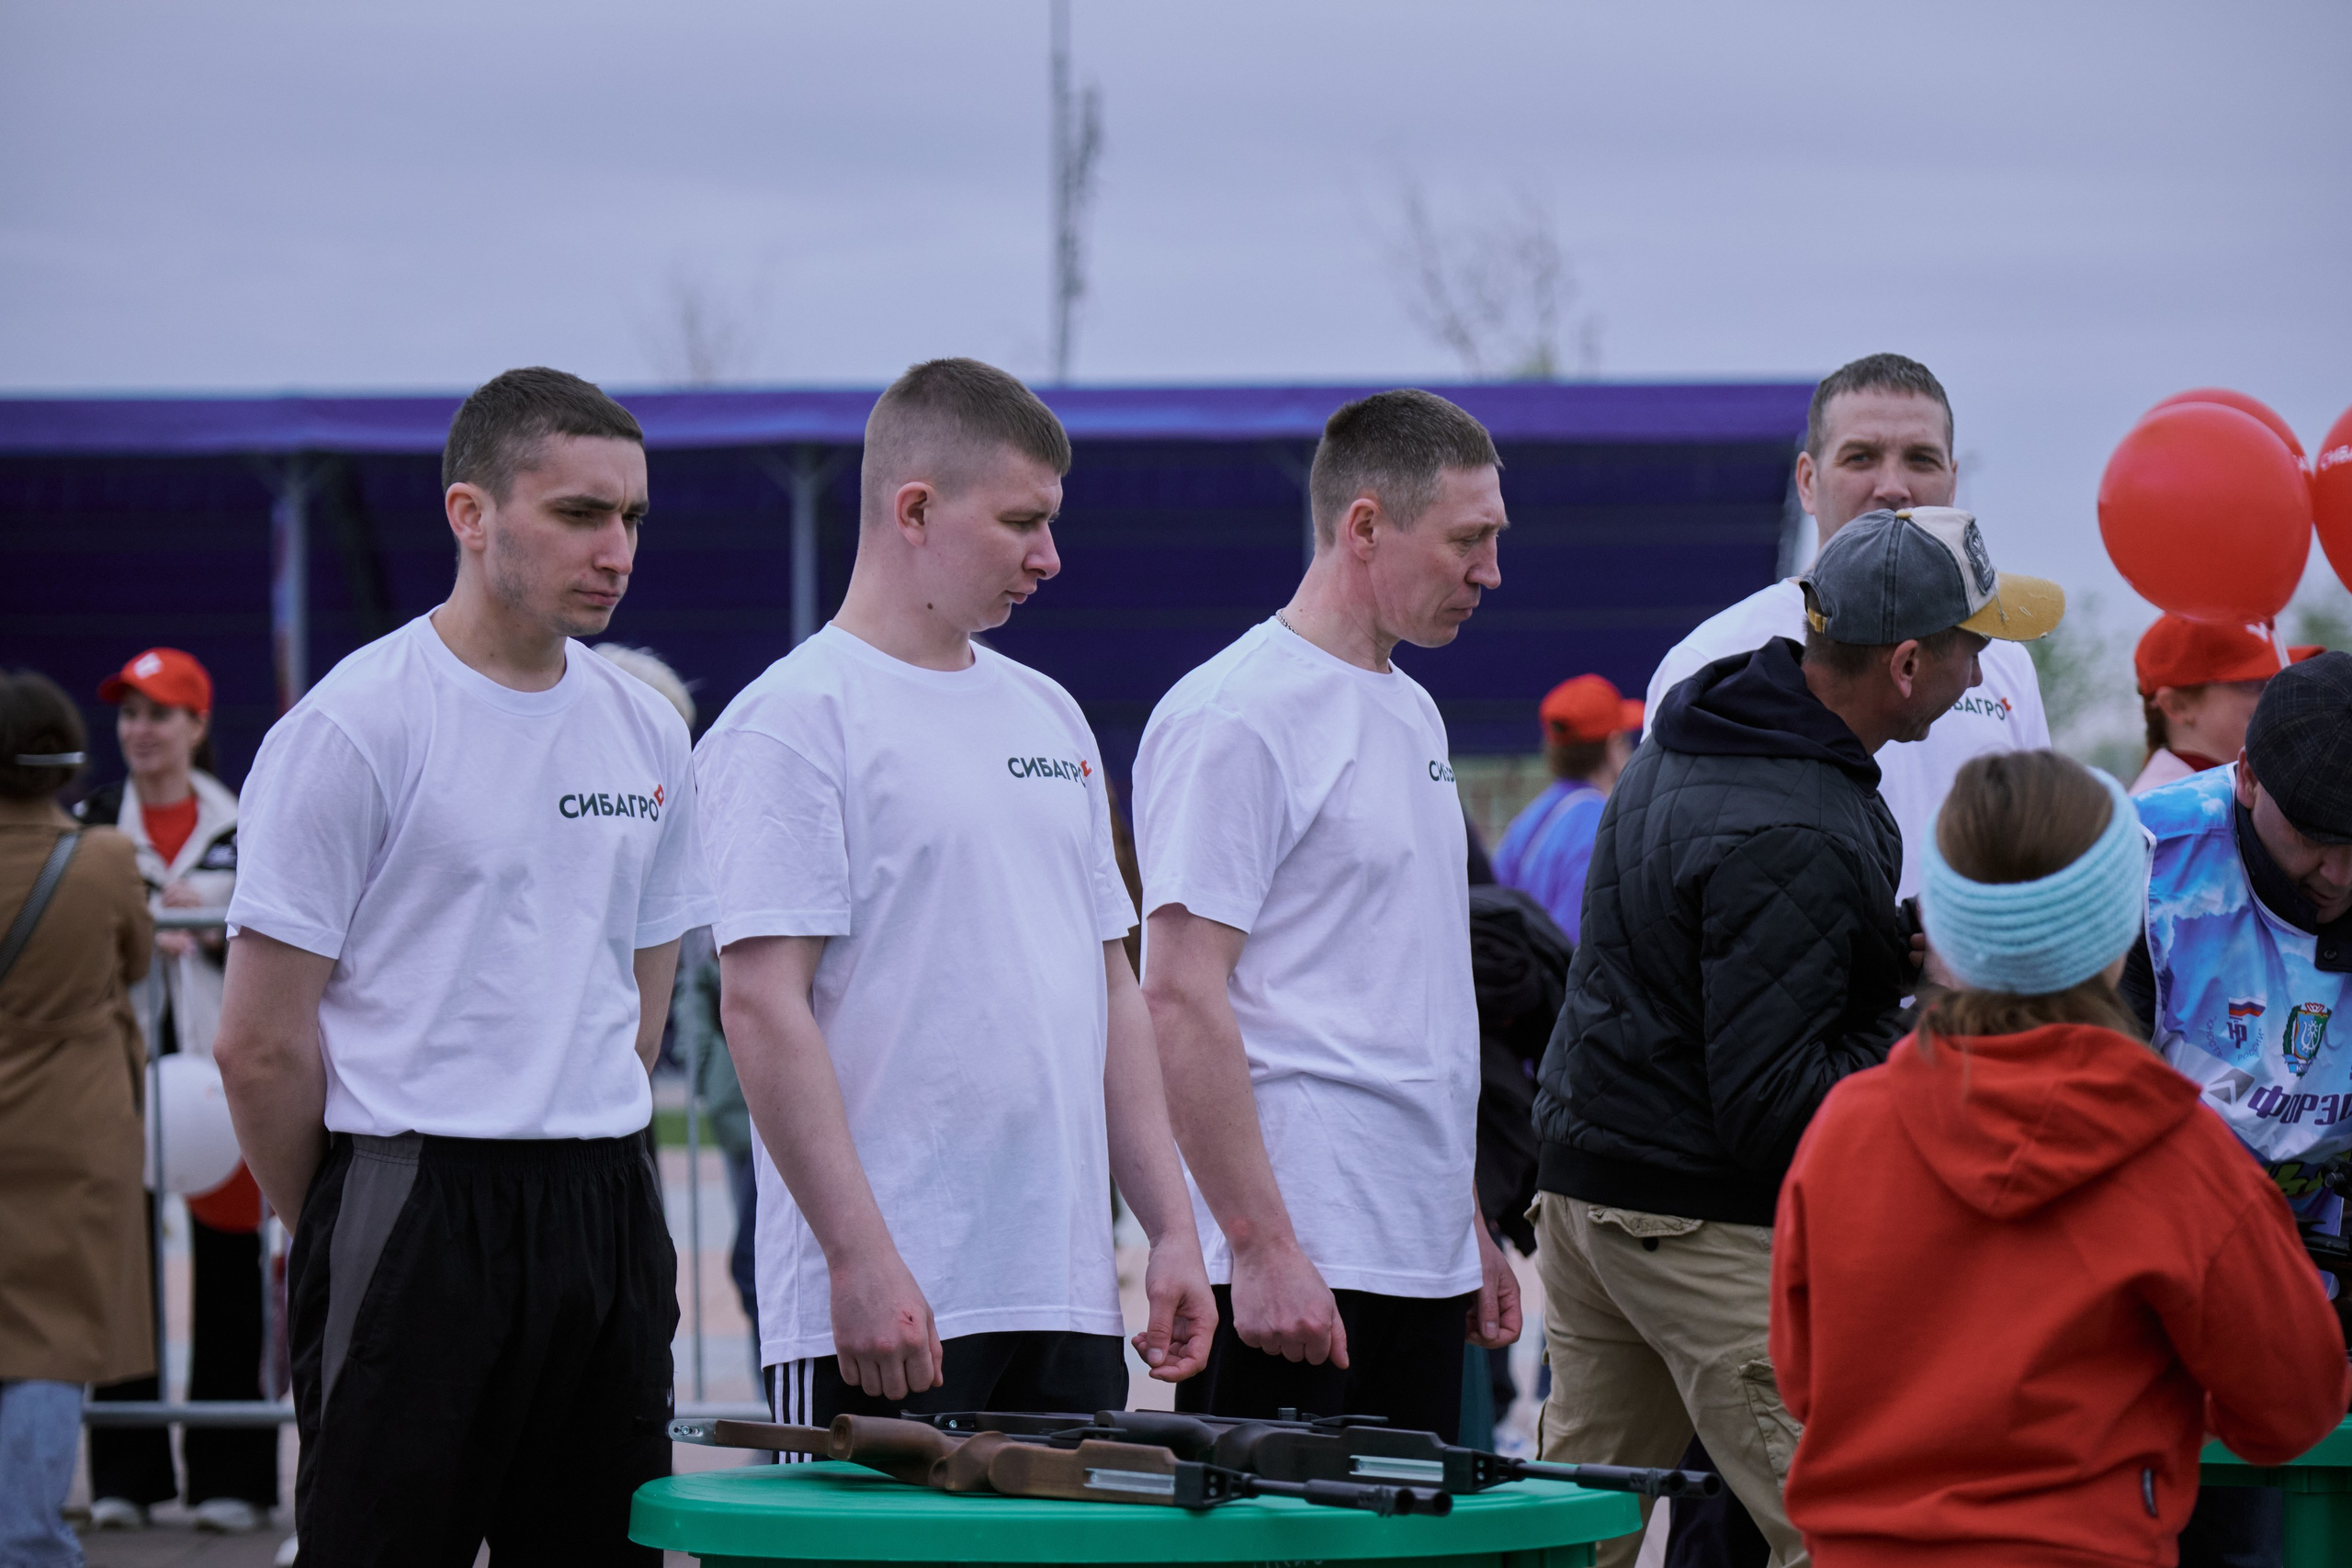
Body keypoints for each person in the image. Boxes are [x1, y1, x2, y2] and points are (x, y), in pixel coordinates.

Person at [212, 367, 713, 1567]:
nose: (617, 548)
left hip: (604, 1202)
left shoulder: (646, 729)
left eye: (633, 517)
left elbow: (637, 999)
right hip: (413, 1192)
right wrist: (341, 1215)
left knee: (598, 1551)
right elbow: (258, 1040)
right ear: (470, 513)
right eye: (580, 512)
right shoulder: (358, 724)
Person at [1532, 505, 2063, 1568]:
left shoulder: (1710, 723)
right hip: (1693, 1215)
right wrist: (1941, 1028)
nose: (1984, 669)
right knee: (1852, 1535)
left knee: (1572, 1536)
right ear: (1907, 663)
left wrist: (1890, 945)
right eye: (1973, 643)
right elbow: (1775, 1102)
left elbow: (1722, 953)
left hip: (1593, 1187)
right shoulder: (1798, 820)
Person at [695, 358, 1213, 1427]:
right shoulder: (790, 722)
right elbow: (758, 1005)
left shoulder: (1050, 716)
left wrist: (1169, 1229)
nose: (1050, 557)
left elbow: (1109, 987)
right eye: (1022, 522)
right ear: (915, 509)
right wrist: (860, 1260)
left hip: (1060, 1293)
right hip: (889, 1308)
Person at [1772, 750, 2349, 1568]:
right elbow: (2295, 1406)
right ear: (2123, 930)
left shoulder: (1846, 1129)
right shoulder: (2178, 1156)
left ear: (1944, 924)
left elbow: (1803, 1379)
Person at [1136, 388, 1521, 1439]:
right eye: (1466, 540)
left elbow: (1413, 993)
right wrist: (1257, 1247)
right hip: (1296, 1261)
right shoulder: (1235, 714)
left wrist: (1463, 1225)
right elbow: (1174, 992)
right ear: (1364, 527)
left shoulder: (1411, 707)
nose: (1489, 571)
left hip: (1415, 1253)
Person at [1645, 353, 2051, 901]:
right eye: (1861, 458)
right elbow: (1668, 884)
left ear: (1953, 483)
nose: (1893, 486)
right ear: (1808, 482)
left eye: (1921, 459)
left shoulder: (2000, 663)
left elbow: (2038, 858)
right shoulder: (1712, 658)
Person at [2120, 651, 2352, 1566]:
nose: (2337, 872)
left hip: (2321, 1271)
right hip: (2160, 1276)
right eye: (2313, 837)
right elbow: (2101, 1096)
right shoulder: (2143, 858)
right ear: (2244, 775)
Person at [74, 648, 274, 1536]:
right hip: (111, 1086)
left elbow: (290, 939)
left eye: (160, 713)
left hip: (218, 1091)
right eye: (129, 714)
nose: (140, 731)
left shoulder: (249, 825)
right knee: (121, 1276)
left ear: (197, 727)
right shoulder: (85, 826)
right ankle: (127, 1472)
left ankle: (234, 1478)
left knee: (230, 1274)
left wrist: (215, 932)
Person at [0, 672, 153, 1568]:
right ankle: (29, 1541)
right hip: (74, 1119)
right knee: (50, 1342)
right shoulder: (100, 858)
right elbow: (134, 955)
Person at [1492, 673, 1642, 942]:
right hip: (1563, 977)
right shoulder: (1602, 824)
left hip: (1523, 974)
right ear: (1613, 746)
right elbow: (1579, 942)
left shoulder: (1529, 818)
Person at [2129, 615, 2316, 795]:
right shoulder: (2160, 813)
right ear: (2176, 706)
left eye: (2274, 679)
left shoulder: (2239, 788)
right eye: (2250, 684)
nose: (2275, 694)